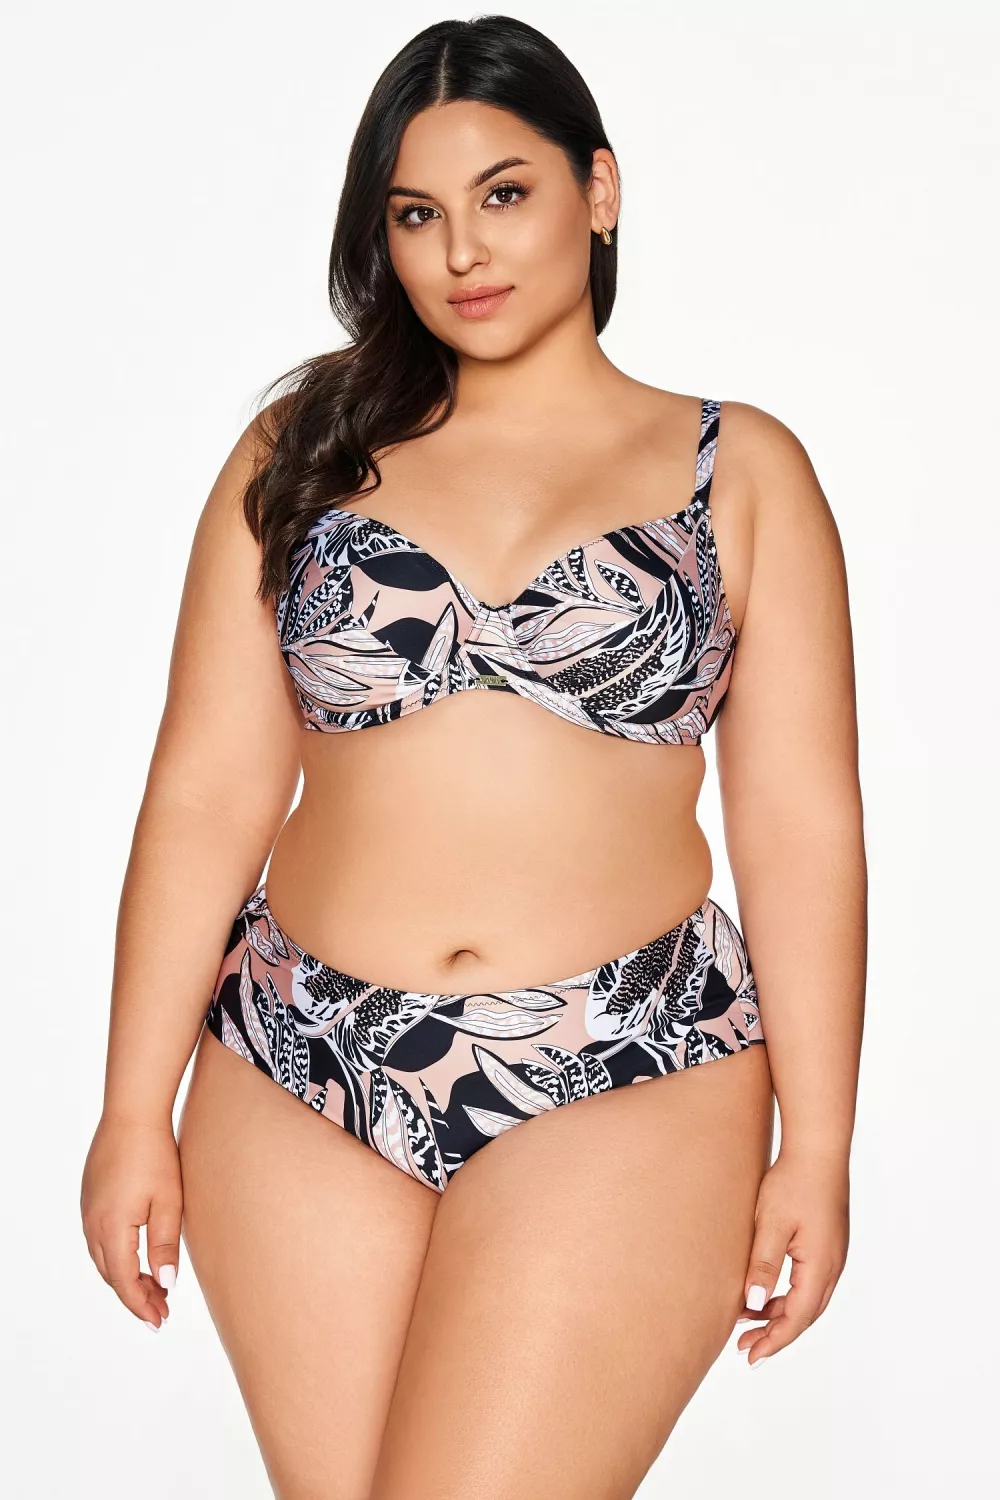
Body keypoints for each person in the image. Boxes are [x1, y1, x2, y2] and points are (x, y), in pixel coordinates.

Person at [80, 14, 866, 1497]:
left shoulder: (739, 470)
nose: (462, 251)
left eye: (505, 193)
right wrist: (131, 1106)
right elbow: (204, 792)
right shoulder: (302, 456)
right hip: (297, 1059)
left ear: (599, 189)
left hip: (627, 1061)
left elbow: (802, 827)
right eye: (416, 213)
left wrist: (817, 1145)